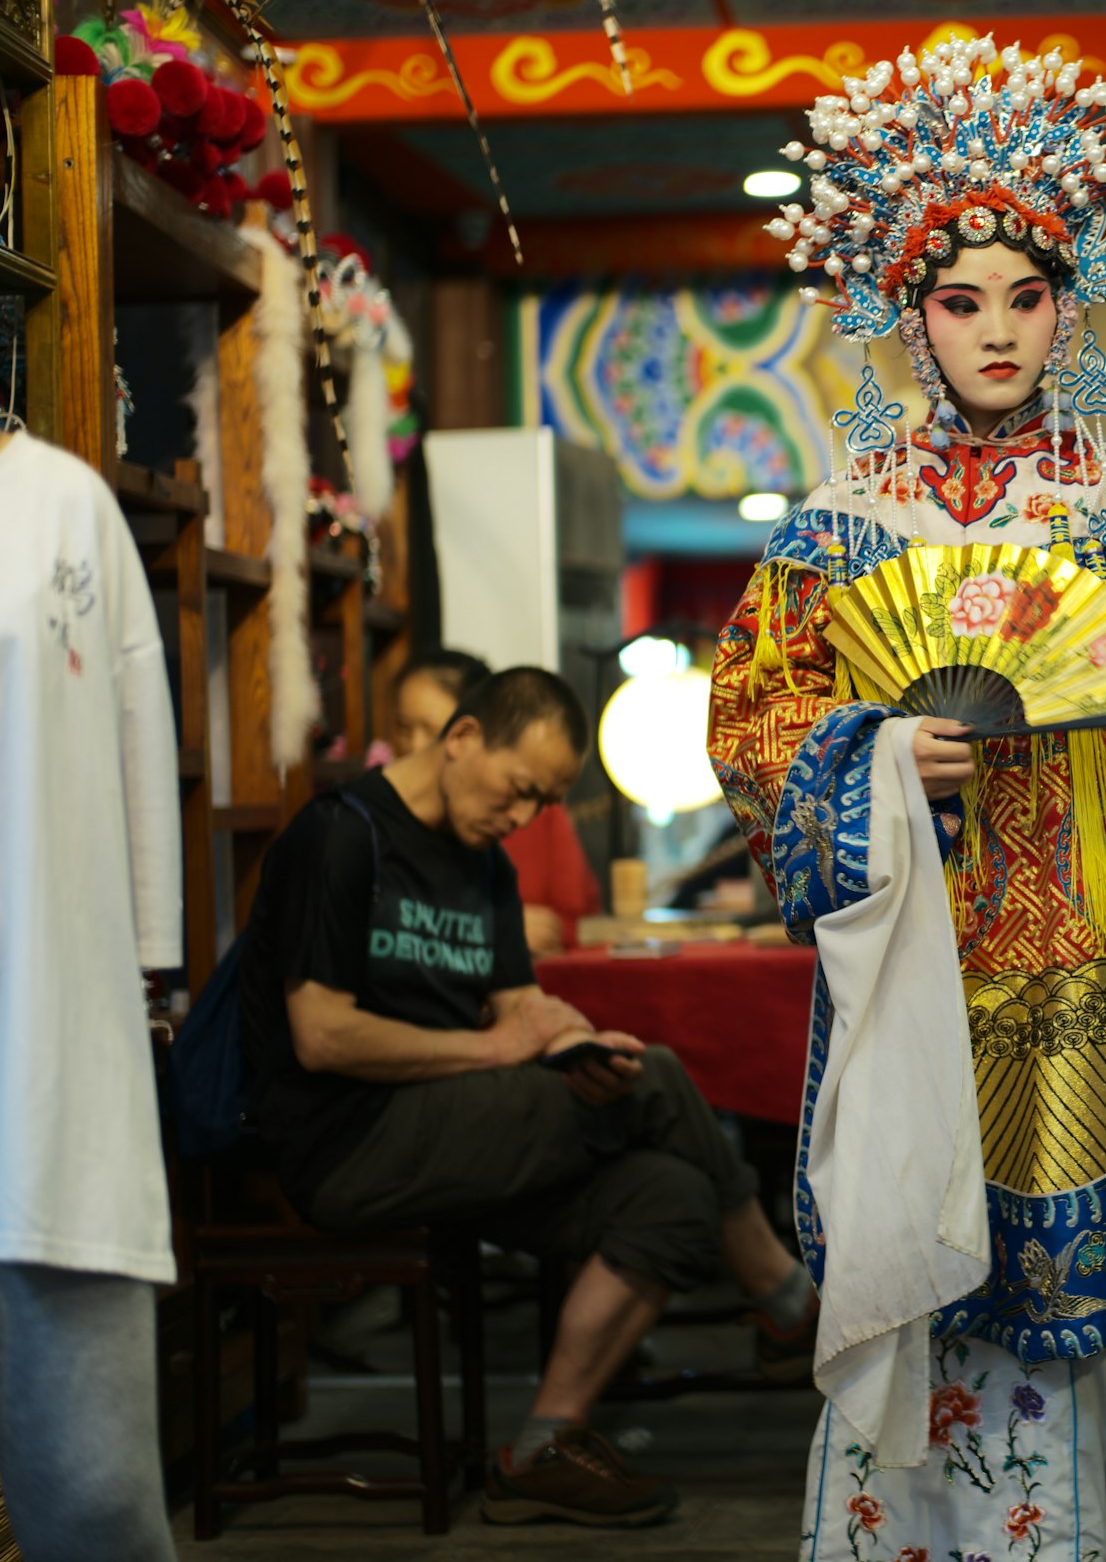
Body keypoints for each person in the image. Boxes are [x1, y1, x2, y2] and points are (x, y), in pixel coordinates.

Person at [708, 34, 1106, 1561]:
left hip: (1080, 966)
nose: (997, 329)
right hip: (916, 961)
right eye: (960, 300)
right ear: (910, 314)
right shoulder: (842, 529)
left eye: (1026, 295)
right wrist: (876, 750)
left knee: (1065, 1303)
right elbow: (747, 720)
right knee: (917, 1258)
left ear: (1071, 304)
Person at [239, 667, 815, 1527]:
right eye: (516, 790)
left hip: (456, 1132)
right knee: (663, 1077)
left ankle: (541, 1449)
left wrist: (572, 1042)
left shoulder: (485, 868)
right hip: (347, 1141)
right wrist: (494, 1048)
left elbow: (519, 1009)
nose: (520, 818)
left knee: (672, 1198)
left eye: (541, 803)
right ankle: (788, 1300)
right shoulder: (340, 836)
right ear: (463, 737)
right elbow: (320, 1035)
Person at [0, 100, 183, 1561]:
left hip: (40, 1057)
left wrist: (148, 968)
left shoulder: (59, 508)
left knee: (94, 1503)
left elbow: (135, 743)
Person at [391, 649, 601, 955]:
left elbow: (576, 919)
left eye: (431, 730)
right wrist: (496, 928)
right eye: (402, 727)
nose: (415, 746)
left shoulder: (500, 829)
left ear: (463, 734)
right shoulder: (361, 824)